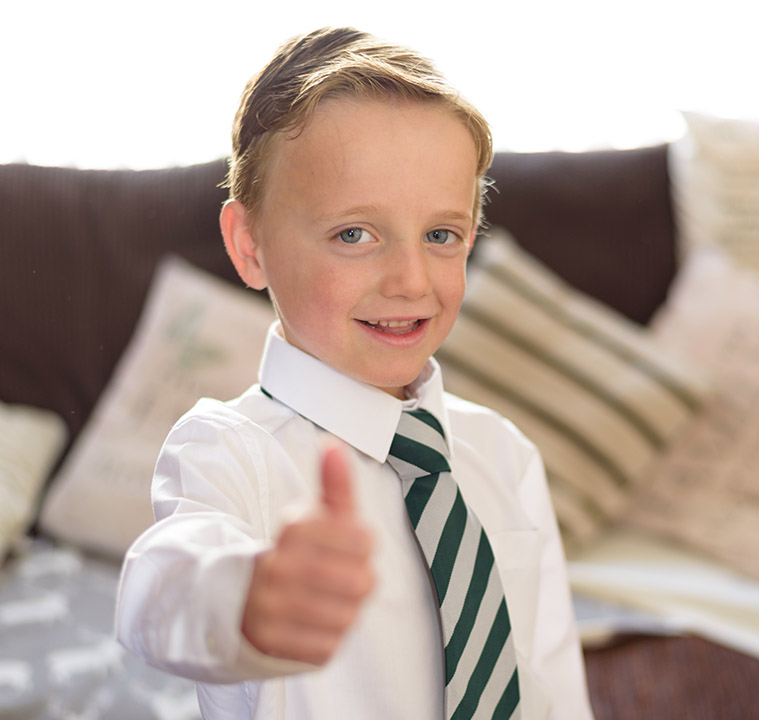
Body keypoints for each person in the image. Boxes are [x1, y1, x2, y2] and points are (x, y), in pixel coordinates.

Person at [115, 26, 594, 720]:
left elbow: (551, 682)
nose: (409, 279)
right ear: (249, 247)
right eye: (353, 234)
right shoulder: (228, 449)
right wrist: (246, 597)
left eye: (441, 235)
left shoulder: (504, 454)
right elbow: (160, 590)